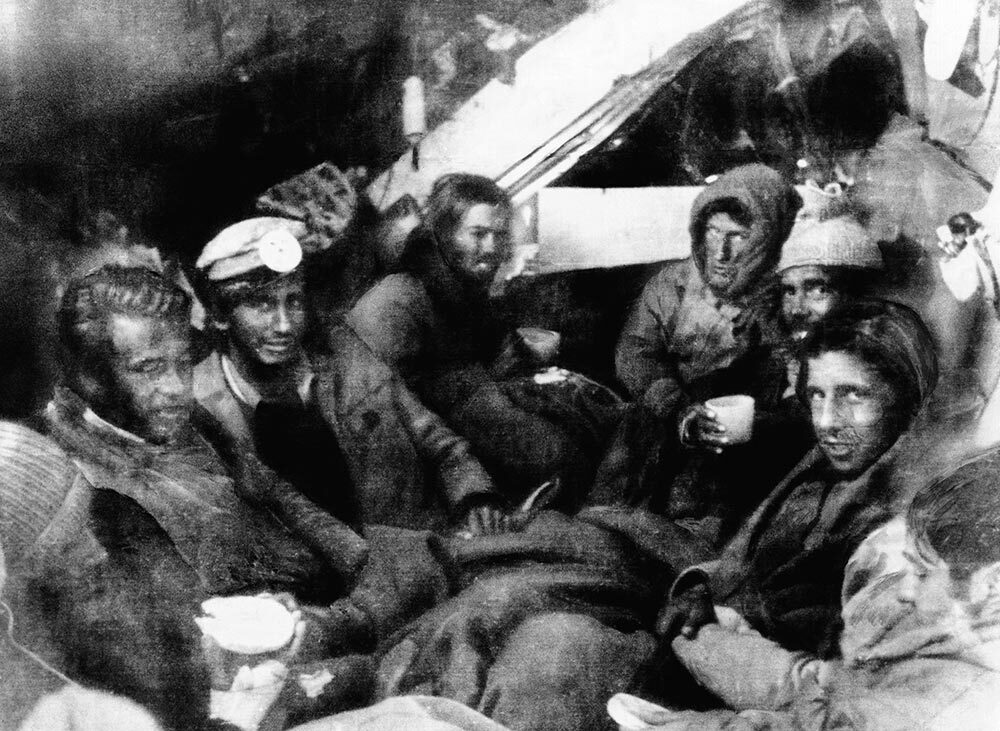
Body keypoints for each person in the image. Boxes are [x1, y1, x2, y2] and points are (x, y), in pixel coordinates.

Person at [41, 264, 457, 672]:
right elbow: (191, 637)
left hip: (322, 605)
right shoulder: (86, 492)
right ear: (92, 378)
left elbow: (273, 492)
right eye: (149, 369)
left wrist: (358, 561)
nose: (177, 388)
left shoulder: (183, 418)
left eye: (182, 362)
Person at [636, 299, 942, 708]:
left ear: (907, 399)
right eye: (816, 395)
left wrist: (714, 629)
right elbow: (744, 561)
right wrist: (701, 590)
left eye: (853, 394)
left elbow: (835, 679)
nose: (828, 421)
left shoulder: (906, 520)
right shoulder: (824, 467)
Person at [614, 447, 1000, 730]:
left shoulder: (969, 701)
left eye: (922, 572)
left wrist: (680, 727)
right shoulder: (946, 622)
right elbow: (818, 685)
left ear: (992, 583)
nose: (905, 591)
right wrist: (708, 637)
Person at [192, 216, 506, 534]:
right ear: (220, 315)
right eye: (262, 305)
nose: (284, 325)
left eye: (294, 301)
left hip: (423, 544)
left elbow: (434, 438)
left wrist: (473, 495)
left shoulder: (342, 352)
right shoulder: (201, 404)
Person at [348, 173, 621, 508]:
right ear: (445, 234)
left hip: (472, 414)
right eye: (478, 234)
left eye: (499, 235)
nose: (491, 248)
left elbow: (492, 353)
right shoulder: (396, 301)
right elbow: (384, 410)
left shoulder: (463, 290)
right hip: (425, 453)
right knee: (559, 460)